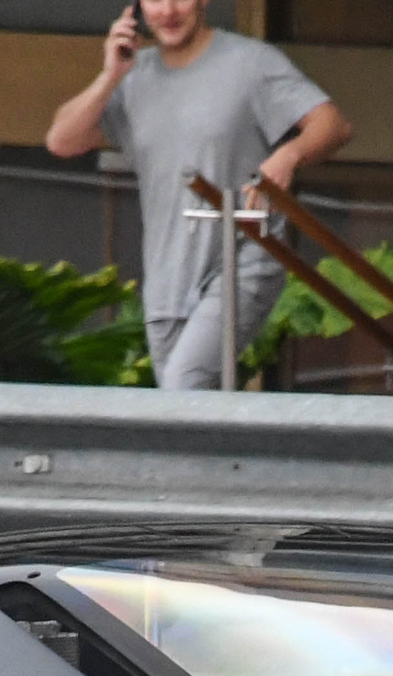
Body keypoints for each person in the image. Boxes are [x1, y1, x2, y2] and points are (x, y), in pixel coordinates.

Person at [46, 1, 351, 390]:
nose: (169, 10)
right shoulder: (134, 79)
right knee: (185, 414)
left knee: (183, 386)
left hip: (243, 254)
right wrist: (110, 75)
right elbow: (62, 140)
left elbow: (333, 125)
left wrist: (289, 155)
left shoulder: (250, 63)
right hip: (167, 272)